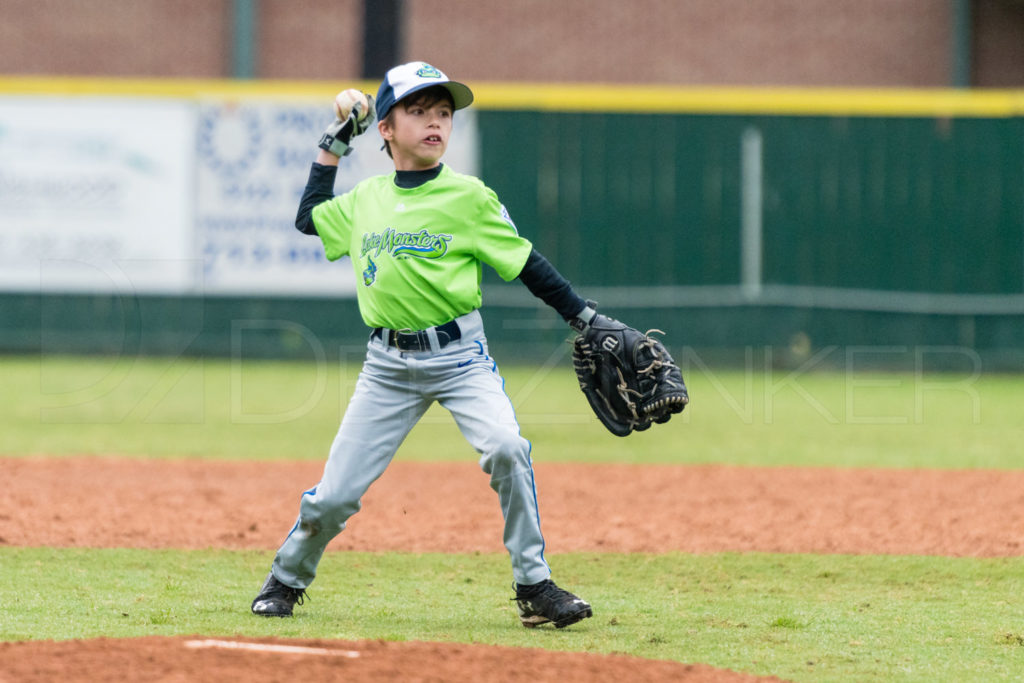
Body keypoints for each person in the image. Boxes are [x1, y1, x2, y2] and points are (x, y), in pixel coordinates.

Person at [251, 61, 597, 629]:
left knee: (508, 448)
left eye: (443, 113)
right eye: (418, 111)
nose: (436, 122)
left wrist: (583, 317)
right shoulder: (367, 198)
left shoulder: (468, 197)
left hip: (461, 359)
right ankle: (286, 578)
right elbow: (308, 218)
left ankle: (534, 585)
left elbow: (526, 264)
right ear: (385, 128)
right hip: (386, 366)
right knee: (335, 495)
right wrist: (333, 145)